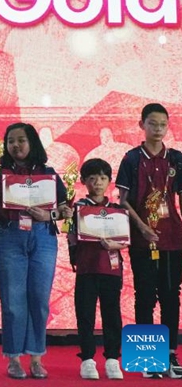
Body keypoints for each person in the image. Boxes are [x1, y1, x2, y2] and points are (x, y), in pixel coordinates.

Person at [0, 122, 71, 379]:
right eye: (11, 141)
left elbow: (65, 211)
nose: (16, 145)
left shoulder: (49, 173)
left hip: (43, 238)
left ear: (32, 142)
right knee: (12, 302)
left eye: (21, 140)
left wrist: (48, 215)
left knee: (39, 300)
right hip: (9, 237)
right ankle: (13, 359)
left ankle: (36, 357)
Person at [115, 103, 182, 379]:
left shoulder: (177, 159)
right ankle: (146, 358)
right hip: (142, 239)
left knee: (171, 296)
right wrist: (141, 227)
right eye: (152, 124)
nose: (158, 129)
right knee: (144, 296)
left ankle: (169, 355)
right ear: (141, 124)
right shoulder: (131, 159)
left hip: (173, 237)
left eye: (163, 124)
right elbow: (123, 201)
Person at [68, 158, 125, 380]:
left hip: (111, 269)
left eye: (103, 178)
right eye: (92, 179)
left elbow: (125, 239)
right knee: (85, 315)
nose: (98, 183)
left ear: (110, 181)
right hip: (86, 269)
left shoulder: (117, 210)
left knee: (112, 315)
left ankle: (112, 359)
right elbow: (71, 235)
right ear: (83, 181)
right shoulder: (78, 209)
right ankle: (88, 360)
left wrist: (116, 244)